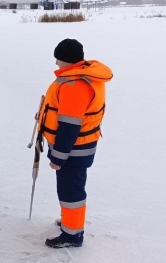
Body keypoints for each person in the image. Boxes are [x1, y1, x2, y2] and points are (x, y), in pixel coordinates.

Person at [37, 39, 113, 248]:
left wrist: (58, 157)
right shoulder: (82, 76)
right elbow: (63, 111)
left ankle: (72, 235)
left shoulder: (74, 84)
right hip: (79, 146)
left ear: (68, 60)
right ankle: (71, 222)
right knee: (70, 188)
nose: (56, 63)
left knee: (70, 191)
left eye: (58, 59)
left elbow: (70, 126)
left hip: (73, 150)